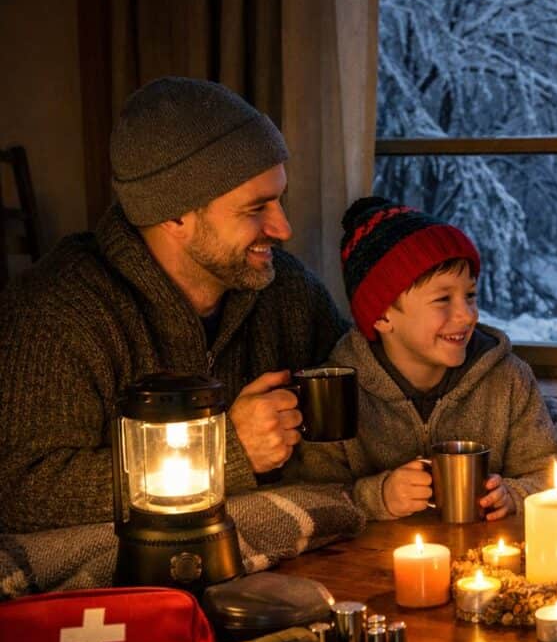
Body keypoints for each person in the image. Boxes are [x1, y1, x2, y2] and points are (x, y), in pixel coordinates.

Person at [0, 77, 347, 534]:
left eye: (279, 199)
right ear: (174, 214)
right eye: (256, 208)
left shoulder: (287, 291)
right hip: (128, 595)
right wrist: (225, 454)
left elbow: (371, 376)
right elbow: (23, 493)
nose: (283, 228)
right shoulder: (57, 313)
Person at [292, 197, 557, 521]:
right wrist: (380, 496)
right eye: (443, 299)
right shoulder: (332, 394)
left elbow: (548, 477)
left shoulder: (509, 379)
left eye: (470, 295)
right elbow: (310, 497)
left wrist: (514, 496)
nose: (466, 315)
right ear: (382, 317)